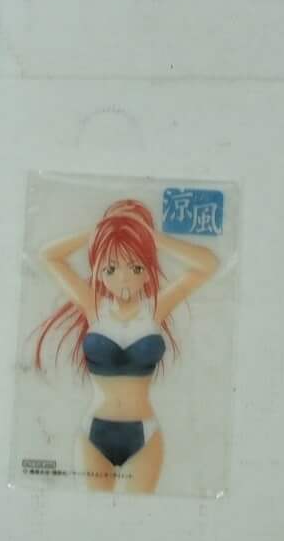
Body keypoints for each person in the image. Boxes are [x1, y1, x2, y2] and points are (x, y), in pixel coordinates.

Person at [31, 199, 220, 493]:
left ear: (148, 270)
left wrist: (150, 236)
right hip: (93, 433)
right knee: (91, 511)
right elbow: (48, 256)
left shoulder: (155, 309)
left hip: (144, 433)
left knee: (139, 515)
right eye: (110, 268)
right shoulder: (94, 307)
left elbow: (208, 264)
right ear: (98, 272)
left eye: (135, 267)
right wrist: (101, 230)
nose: (123, 278)